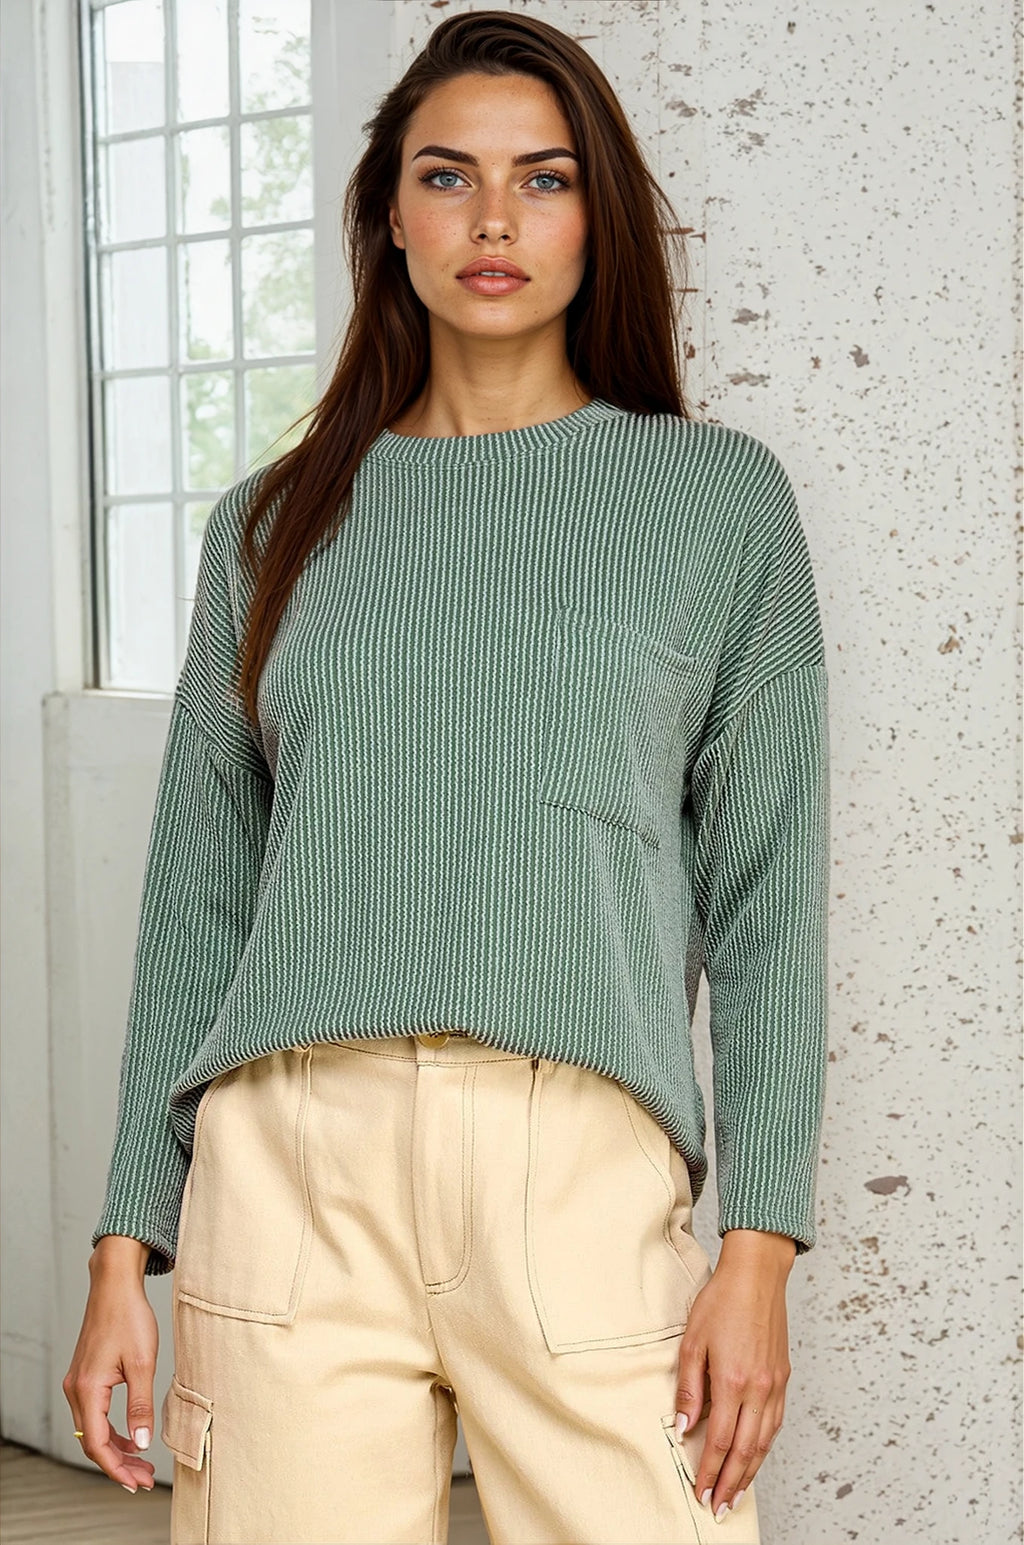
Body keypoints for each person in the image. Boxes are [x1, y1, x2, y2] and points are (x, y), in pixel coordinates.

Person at [62, 11, 830, 1544]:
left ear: (596, 218)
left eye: (543, 179)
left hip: (579, 1164)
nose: (493, 219)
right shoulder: (267, 526)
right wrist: (120, 1251)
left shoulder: (716, 504)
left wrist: (760, 1248)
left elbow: (768, 900)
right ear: (388, 215)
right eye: (446, 175)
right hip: (289, 1172)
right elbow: (198, 903)